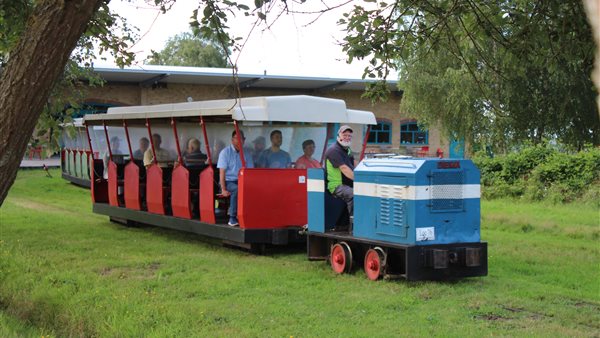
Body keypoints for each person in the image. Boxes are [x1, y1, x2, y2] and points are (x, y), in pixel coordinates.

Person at [217, 130, 254, 226]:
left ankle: (251, 216)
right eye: (236, 138)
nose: (239, 141)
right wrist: (223, 189)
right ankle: (232, 218)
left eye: (241, 138)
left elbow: (250, 172)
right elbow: (222, 173)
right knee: (237, 190)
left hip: (243, 181)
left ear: (244, 140)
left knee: (255, 189)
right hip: (228, 181)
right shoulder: (225, 153)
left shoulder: (247, 154)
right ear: (232, 140)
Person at [324, 125, 355, 216]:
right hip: (336, 186)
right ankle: (354, 225)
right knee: (355, 194)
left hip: (347, 184)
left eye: (349, 136)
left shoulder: (347, 150)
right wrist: (361, 181)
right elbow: (344, 169)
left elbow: (355, 165)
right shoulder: (334, 150)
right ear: (338, 136)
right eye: (344, 135)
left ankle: (344, 224)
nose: (347, 137)